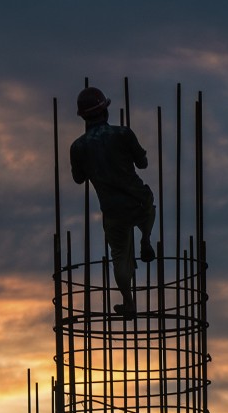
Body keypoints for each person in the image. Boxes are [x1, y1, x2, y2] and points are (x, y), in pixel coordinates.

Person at [70, 86, 156, 320]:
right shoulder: (123, 134)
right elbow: (144, 164)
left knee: (119, 256)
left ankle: (128, 303)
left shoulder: (78, 147)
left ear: (84, 117)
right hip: (137, 200)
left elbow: (78, 179)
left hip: (112, 211)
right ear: (105, 112)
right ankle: (146, 239)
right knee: (149, 203)